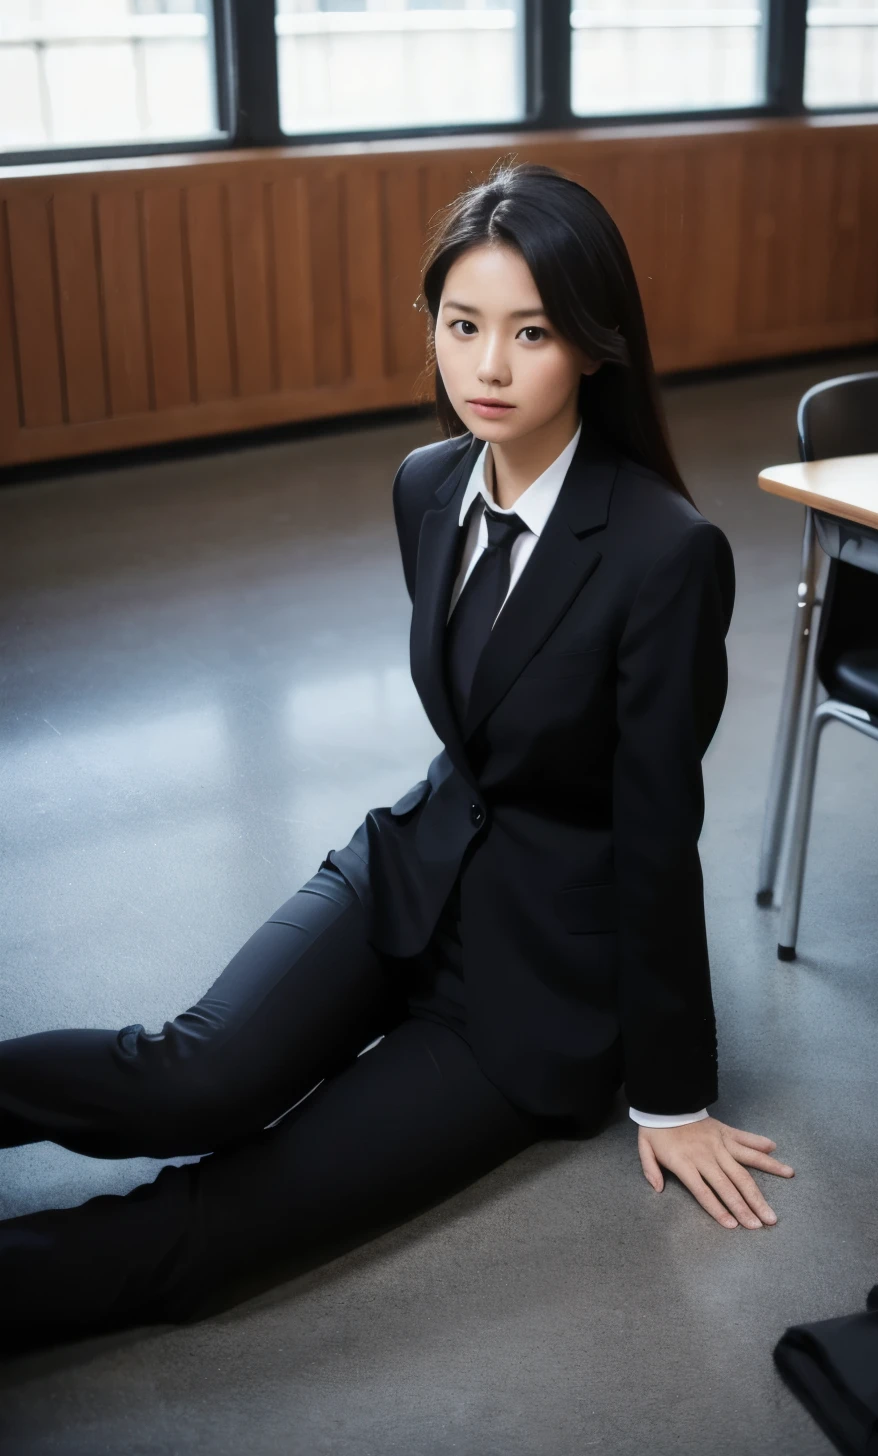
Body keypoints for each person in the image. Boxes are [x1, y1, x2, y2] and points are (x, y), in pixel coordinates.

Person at [0, 160, 794, 1349]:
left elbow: (654, 835)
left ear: (591, 343)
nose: (487, 366)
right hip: (408, 869)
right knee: (186, 1080)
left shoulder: (664, 555)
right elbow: (475, 731)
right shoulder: (424, 485)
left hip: (532, 988)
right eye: (462, 326)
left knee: (226, 1222)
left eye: (530, 333)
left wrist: (672, 1094)